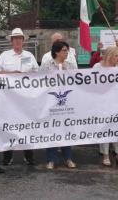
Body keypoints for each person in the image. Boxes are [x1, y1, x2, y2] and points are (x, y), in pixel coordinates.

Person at [0, 27, 39, 166]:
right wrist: (11, 73)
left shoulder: (30, 56)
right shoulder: (4, 55)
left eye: (20, 38)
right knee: (9, 127)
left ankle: (29, 156)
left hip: (26, 99)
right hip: (9, 100)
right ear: (11, 41)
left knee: (27, 127)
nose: (18, 41)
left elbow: (38, 75)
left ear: (23, 41)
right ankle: (8, 156)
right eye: (15, 38)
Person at [40, 41, 77, 170]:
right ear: (56, 52)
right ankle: (51, 159)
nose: (67, 53)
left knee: (67, 129)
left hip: (67, 103)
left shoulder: (71, 65)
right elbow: (39, 82)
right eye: (64, 50)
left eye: (67, 50)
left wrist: (68, 73)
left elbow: (78, 82)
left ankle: (68, 158)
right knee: (52, 130)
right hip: (51, 103)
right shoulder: (46, 65)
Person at [93, 47, 118, 166]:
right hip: (102, 103)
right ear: (109, 56)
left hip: (117, 103)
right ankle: (105, 155)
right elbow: (91, 83)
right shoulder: (98, 67)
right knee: (105, 129)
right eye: (116, 56)